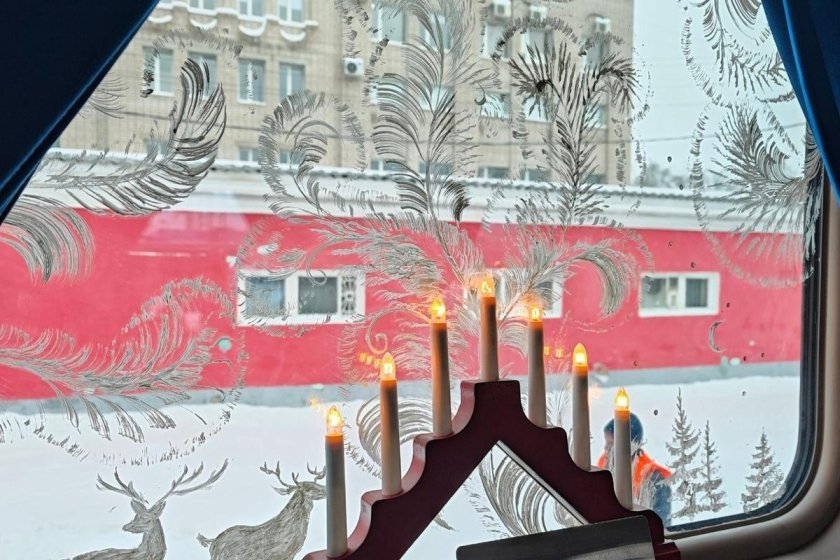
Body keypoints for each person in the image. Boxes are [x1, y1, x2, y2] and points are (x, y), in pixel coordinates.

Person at [597, 413, 672, 525]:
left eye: (611, 443)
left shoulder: (656, 481)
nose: (605, 448)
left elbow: (659, 526)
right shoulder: (602, 469)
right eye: (606, 442)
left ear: (629, 445)